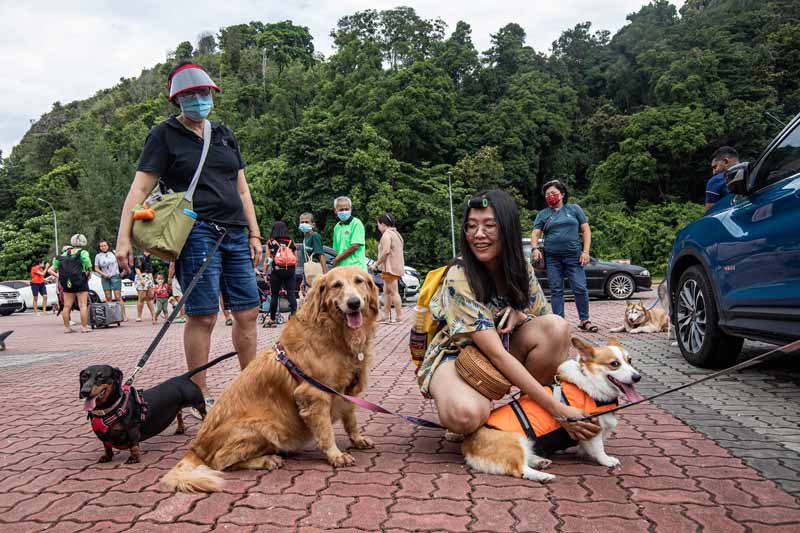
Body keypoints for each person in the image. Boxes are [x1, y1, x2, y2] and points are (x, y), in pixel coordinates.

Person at [116, 62, 261, 419]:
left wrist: (255, 232)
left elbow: (242, 188)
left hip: (235, 232)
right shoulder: (163, 135)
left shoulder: (224, 134)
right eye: (190, 95)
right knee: (203, 315)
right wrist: (123, 238)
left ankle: (254, 388)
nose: (199, 100)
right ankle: (201, 394)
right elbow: (140, 187)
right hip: (196, 231)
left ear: (212, 94)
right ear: (177, 100)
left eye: (204, 93)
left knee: (248, 311)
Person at [417, 190, 601, 442]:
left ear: (507, 229)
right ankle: (487, 408)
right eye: (471, 226)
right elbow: (496, 355)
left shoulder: (521, 268)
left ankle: (527, 412)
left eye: (489, 225)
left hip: (502, 349)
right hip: (458, 356)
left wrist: (521, 316)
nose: (478, 234)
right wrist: (560, 411)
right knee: (464, 416)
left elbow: (546, 321)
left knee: (557, 328)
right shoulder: (460, 275)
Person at [531, 180, 597, 333]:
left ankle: (584, 320)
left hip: (574, 256)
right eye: (547, 194)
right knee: (556, 290)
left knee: (580, 288)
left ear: (562, 194)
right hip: (552, 258)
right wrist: (535, 248)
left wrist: (586, 252)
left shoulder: (574, 209)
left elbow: (586, 230)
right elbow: (535, 233)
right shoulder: (543, 214)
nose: (550, 196)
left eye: (553, 193)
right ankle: (559, 322)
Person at [50, 234, 92, 333]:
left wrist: (59, 276)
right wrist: (88, 273)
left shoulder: (64, 254)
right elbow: (89, 265)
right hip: (80, 281)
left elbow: (51, 270)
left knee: (67, 305)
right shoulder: (83, 252)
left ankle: (67, 328)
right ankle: (84, 328)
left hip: (67, 283)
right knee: (83, 305)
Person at [373, 212, 405, 324]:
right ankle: (386, 316)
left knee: (394, 292)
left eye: (378, 224)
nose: (378, 227)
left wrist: (376, 264)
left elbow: (386, 251)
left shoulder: (387, 235)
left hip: (390, 268)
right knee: (386, 292)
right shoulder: (396, 234)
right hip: (394, 267)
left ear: (382, 224)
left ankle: (399, 317)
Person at [264, 221, 297, 327]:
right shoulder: (291, 242)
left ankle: (272, 319)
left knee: (274, 296)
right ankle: (293, 317)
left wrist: (265, 272)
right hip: (290, 271)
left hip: (276, 271)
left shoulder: (270, 242)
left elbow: (268, 259)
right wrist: (292, 271)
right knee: (291, 294)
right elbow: (296, 259)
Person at [94, 240, 127, 321]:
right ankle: (111, 316)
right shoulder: (98, 256)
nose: (103, 247)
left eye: (105, 245)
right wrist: (103, 274)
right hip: (105, 278)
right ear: (100, 247)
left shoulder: (114, 253)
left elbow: (122, 261)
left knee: (118, 296)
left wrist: (124, 271)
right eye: (101, 246)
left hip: (115, 276)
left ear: (107, 246)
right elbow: (96, 268)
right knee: (108, 297)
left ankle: (123, 315)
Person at [332, 196, 367, 271]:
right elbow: (335, 249)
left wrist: (337, 259)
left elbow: (355, 246)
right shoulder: (337, 227)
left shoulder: (356, 223)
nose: (344, 211)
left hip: (356, 268)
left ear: (351, 209)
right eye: (341, 209)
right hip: (342, 269)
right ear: (335, 210)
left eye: (346, 209)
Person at [298, 212, 328, 292]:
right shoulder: (305, 239)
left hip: (316, 274)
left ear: (313, 225)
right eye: (302, 222)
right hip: (309, 276)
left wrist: (326, 275)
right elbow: (305, 263)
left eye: (307, 222)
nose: (304, 224)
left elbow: (321, 255)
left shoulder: (315, 236)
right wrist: (303, 281)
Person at [705, 146, 739, 212]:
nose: (713, 172)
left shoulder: (716, 180)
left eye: (715, 167)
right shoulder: (754, 173)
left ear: (726, 161)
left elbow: (710, 213)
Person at [134, 251, 157, 324]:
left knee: (150, 297)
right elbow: (137, 269)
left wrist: (152, 283)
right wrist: (141, 279)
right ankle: (139, 316)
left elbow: (150, 271)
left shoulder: (149, 258)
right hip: (141, 277)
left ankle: (153, 315)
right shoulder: (140, 257)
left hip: (148, 277)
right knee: (142, 297)